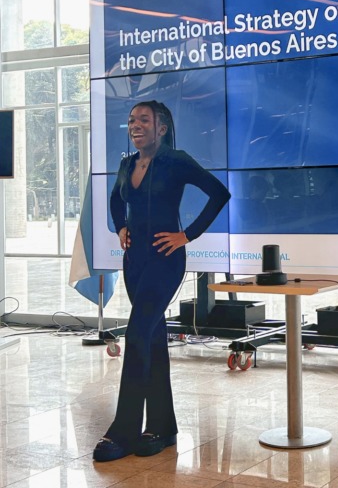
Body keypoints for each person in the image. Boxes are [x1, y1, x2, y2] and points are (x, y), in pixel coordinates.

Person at [93, 100, 230, 462]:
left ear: (162, 128)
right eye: (131, 120)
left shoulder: (177, 160)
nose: (135, 125)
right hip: (134, 263)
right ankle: (163, 427)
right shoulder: (127, 164)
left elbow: (220, 194)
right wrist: (121, 226)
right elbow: (115, 201)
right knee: (151, 339)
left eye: (144, 120)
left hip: (166, 260)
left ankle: (123, 431)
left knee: (137, 335)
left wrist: (188, 235)